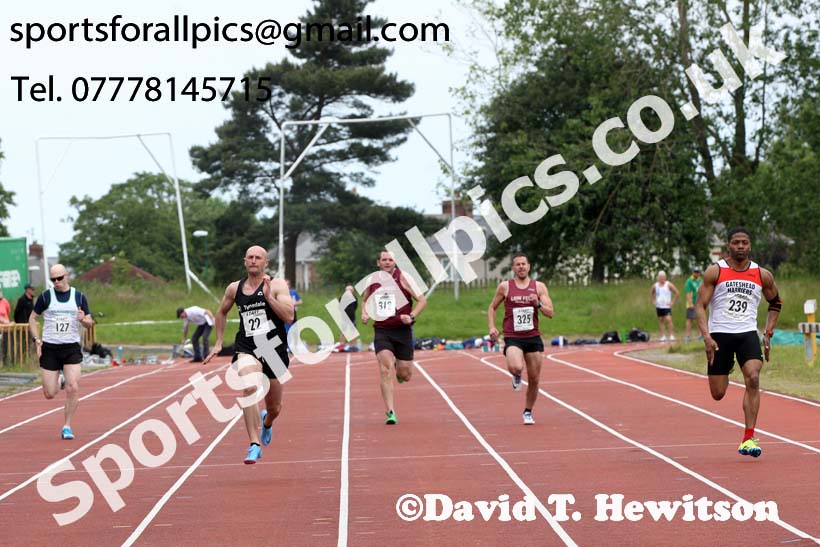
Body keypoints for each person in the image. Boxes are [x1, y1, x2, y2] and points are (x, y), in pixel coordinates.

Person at [204, 246, 294, 464]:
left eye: (258, 258)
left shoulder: (277, 285)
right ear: (245, 261)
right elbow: (221, 312)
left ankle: (268, 422)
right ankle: (254, 444)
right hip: (247, 346)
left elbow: (289, 316)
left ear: (266, 263)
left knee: (275, 408)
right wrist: (218, 342)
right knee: (250, 385)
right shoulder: (234, 289)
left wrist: (269, 298)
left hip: (273, 348)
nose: (254, 261)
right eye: (250, 257)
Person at [696, 227, 781, 458]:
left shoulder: (762, 274)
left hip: (746, 333)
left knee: (753, 377)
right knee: (718, 393)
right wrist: (706, 337)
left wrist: (768, 332)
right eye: (736, 242)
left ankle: (748, 438)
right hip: (720, 335)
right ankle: (729, 364)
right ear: (729, 246)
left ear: (750, 245)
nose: (741, 246)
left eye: (745, 242)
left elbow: (776, 303)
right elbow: (699, 306)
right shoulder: (716, 271)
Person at [27, 264, 94, 440]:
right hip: (50, 348)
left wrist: (83, 320)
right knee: (49, 393)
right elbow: (32, 319)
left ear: (67, 276)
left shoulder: (78, 297)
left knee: (73, 387)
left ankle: (67, 426)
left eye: (59, 278)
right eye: (53, 279)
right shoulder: (46, 296)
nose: (56, 282)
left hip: (71, 347)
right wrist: (36, 341)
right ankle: (60, 378)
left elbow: (89, 322)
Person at [488, 254, 554, 425]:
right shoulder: (505, 287)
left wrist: (537, 304)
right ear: (513, 268)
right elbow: (492, 307)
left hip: (532, 336)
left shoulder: (539, 287)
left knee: (534, 378)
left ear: (529, 267)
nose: (521, 267)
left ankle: (527, 411)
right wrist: (492, 327)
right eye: (517, 264)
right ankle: (516, 375)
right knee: (516, 366)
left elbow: (551, 313)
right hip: (513, 336)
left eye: (523, 264)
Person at [362, 250, 426, 425]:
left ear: (395, 263)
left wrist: (411, 316)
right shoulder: (372, 280)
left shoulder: (404, 278)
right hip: (382, 330)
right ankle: (390, 411)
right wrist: (364, 313)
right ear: (378, 262)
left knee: (405, 374)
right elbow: (365, 299)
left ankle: (400, 369)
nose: (387, 262)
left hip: (402, 331)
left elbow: (422, 300)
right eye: (384, 260)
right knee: (384, 369)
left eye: (390, 260)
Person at [650, 271, 679, 341]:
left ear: (665, 277)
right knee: (661, 320)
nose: (662, 278)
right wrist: (653, 301)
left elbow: (677, 293)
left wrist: (672, 302)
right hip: (659, 306)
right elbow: (651, 293)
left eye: (663, 277)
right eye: (661, 277)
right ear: (658, 278)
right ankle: (663, 336)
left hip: (666, 306)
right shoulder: (655, 285)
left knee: (669, 319)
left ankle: (671, 335)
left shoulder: (668, 284)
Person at [684, 267, 703, 342]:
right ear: (693, 272)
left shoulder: (701, 280)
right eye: (695, 272)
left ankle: (700, 335)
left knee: (700, 320)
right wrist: (690, 303)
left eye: (697, 272)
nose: (696, 273)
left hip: (699, 303)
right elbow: (688, 293)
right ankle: (687, 336)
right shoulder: (689, 281)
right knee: (689, 320)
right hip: (691, 303)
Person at [336, 285, 358, 350]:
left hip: (352, 318)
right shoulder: (342, 297)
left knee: (353, 332)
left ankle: (352, 346)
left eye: (350, 290)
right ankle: (342, 345)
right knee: (343, 332)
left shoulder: (355, 298)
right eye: (347, 290)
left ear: (352, 291)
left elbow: (355, 307)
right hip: (344, 318)